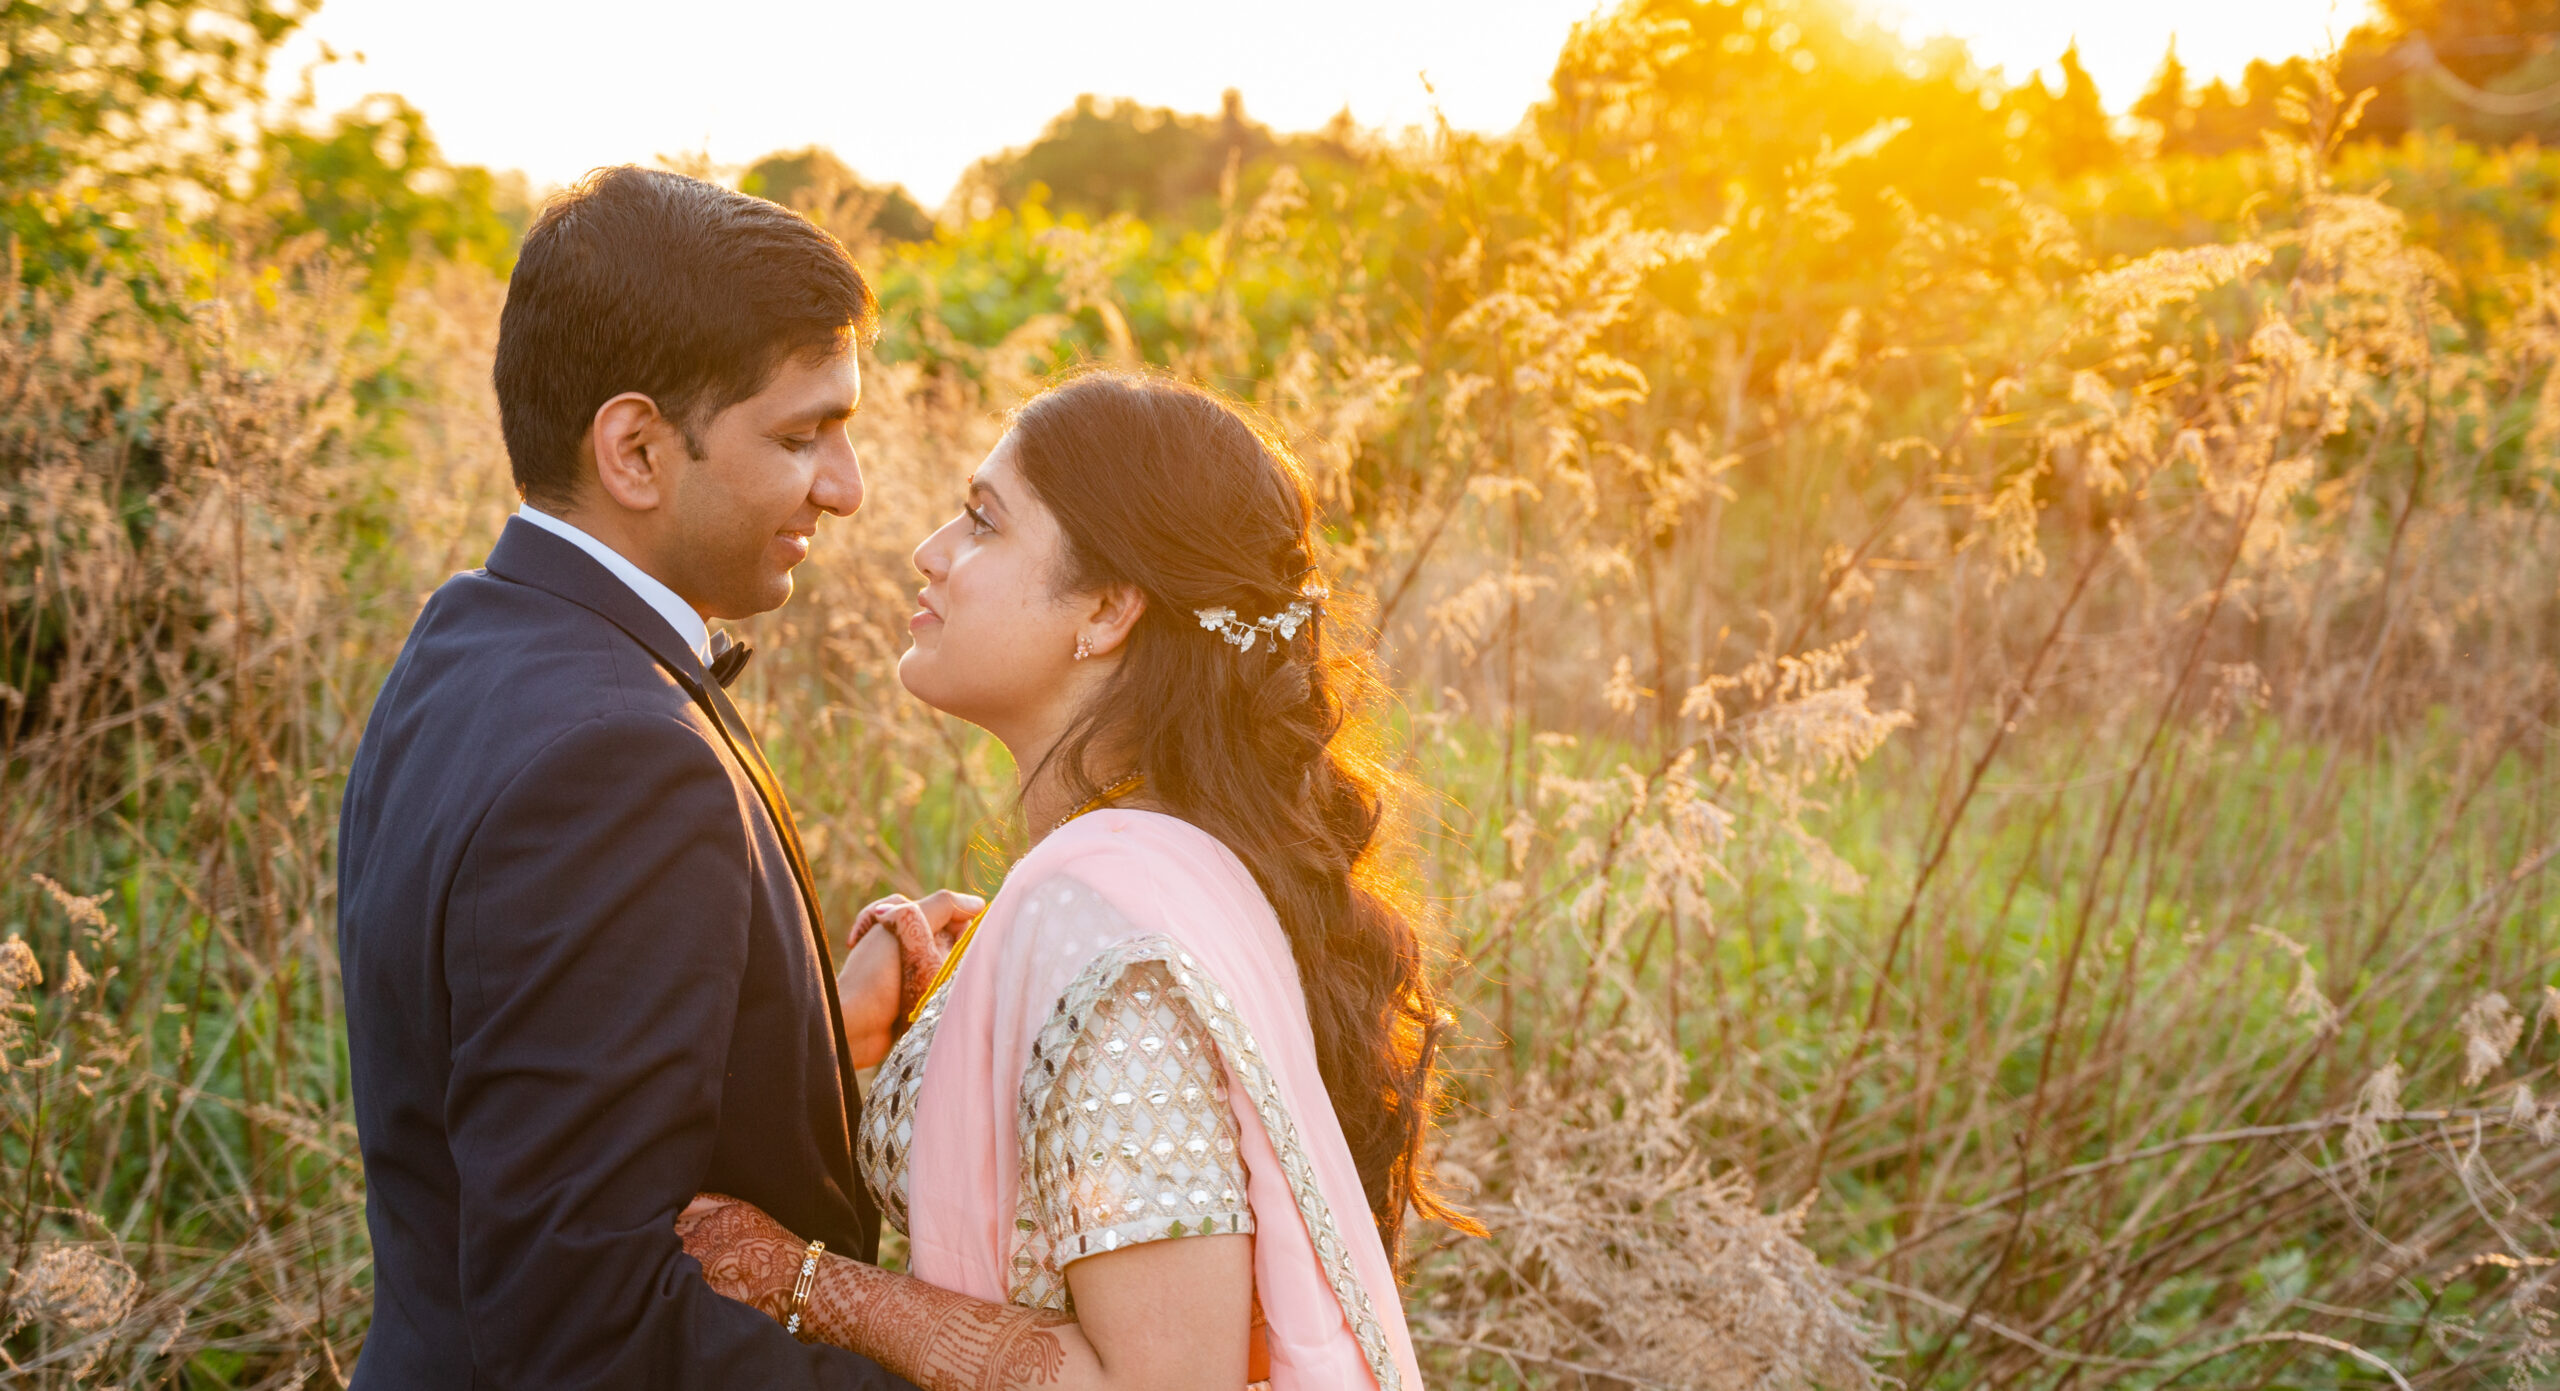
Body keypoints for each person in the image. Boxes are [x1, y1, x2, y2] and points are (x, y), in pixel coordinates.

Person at [677, 370, 1476, 1390]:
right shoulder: (1143, 883)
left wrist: (804, 1283)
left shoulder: (1104, 920)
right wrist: (912, 1019)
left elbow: (1160, 1381)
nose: (929, 552)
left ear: (1104, 609)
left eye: (981, 521)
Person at [335, 166, 967, 1390]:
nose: (846, 487)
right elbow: (590, 1327)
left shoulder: (469, 640)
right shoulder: (621, 761)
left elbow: (514, 1064)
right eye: (800, 435)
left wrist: (807, 1033)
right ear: (633, 447)